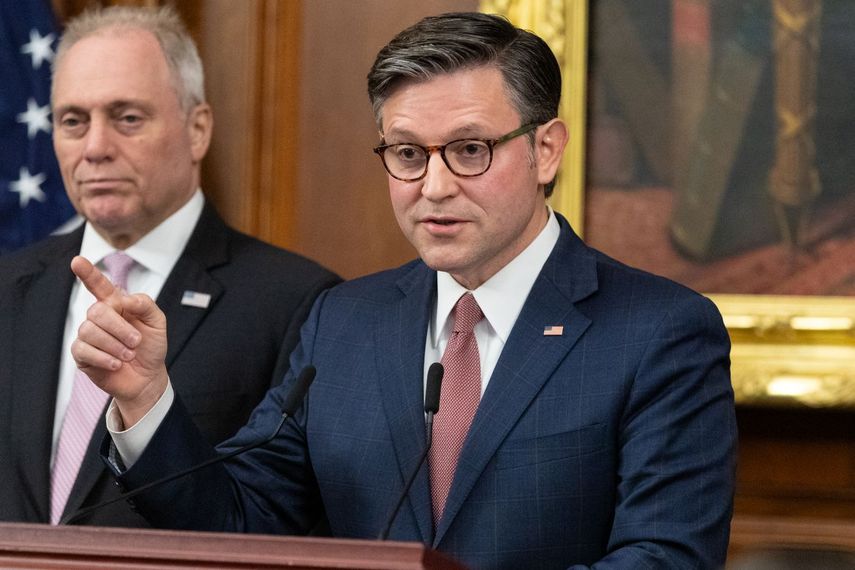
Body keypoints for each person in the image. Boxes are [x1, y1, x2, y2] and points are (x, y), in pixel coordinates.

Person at [71, 12, 736, 568]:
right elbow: (238, 522)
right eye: (408, 154)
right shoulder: (343, 322)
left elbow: (664, 558)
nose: (435, 186)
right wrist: (146, 397)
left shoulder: (660, 331)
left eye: (470, 149)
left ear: (545, 151)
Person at [0, 6, 339, 527]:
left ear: (197, 128)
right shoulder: (7, 289)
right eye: (73, 121)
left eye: (127, 118)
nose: (94, 148)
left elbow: (276, 520)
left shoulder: (298, 304)